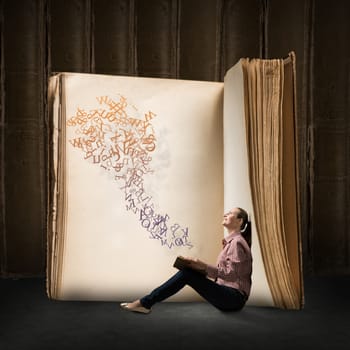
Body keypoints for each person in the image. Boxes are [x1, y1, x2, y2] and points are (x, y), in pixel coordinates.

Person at [120, 207, 252, 314]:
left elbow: (231, 274)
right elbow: (228, 274)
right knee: (188, 271)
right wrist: (199, 268)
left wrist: (203, 265)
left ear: (240, 221)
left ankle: (144, 303)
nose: (225, 214)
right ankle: (145, 303)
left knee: (187, 274)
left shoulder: (236, 243)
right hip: (229, 297)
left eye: (230, 214)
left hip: (234, 299)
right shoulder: (233, 242)